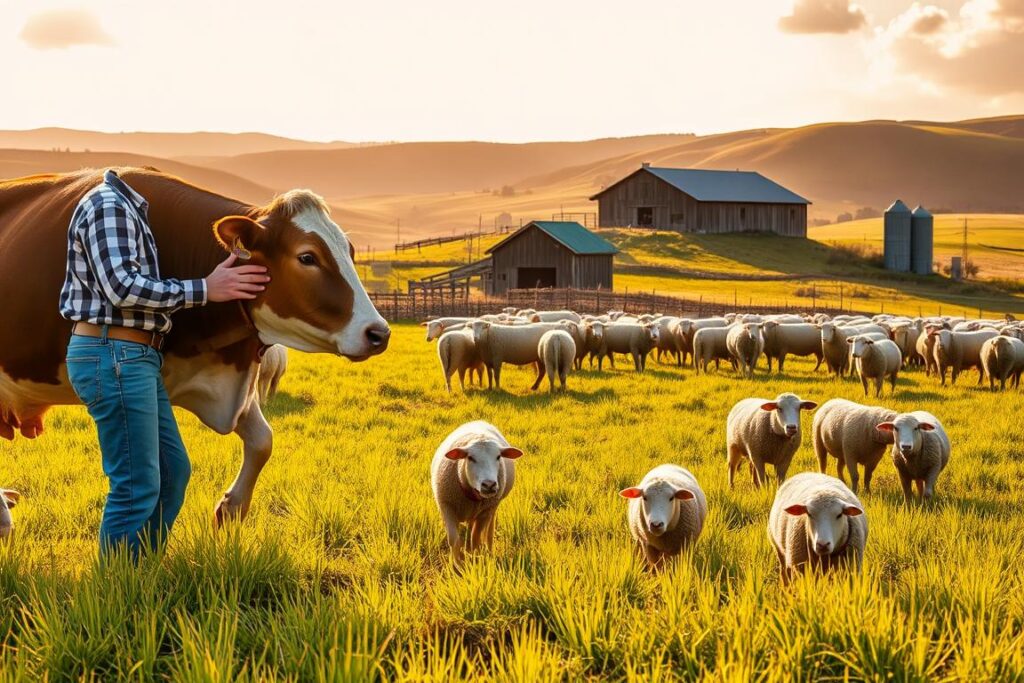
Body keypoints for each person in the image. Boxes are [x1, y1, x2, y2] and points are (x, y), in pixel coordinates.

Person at [58, 169, 269, 557]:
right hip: (114, 353)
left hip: (134, 356)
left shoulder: (128, 209)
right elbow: (121, 287)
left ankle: (141, 571)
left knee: (173, 472)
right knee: (137, 484)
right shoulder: (110, 206)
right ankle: (118, 591)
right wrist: (206, 289)